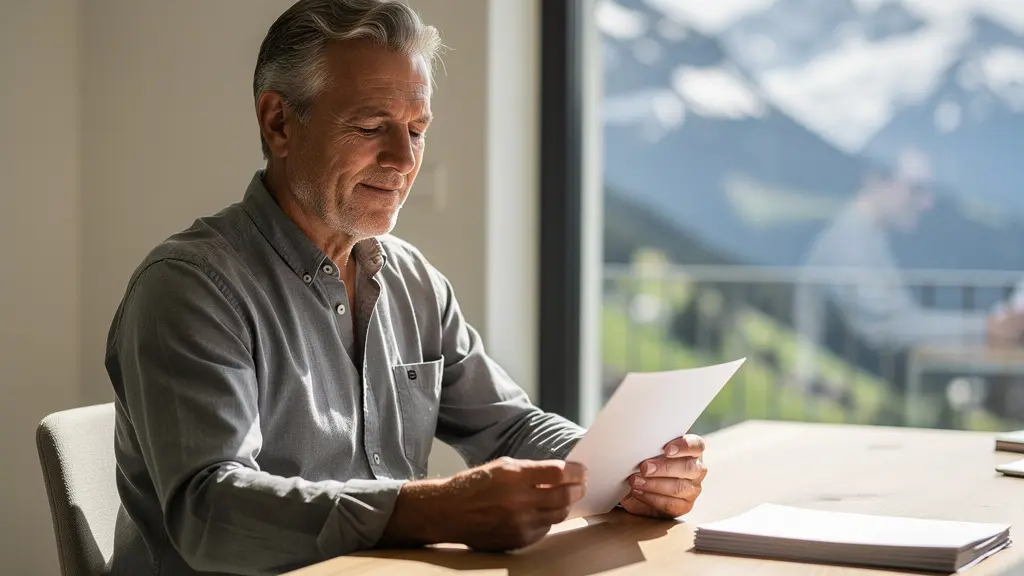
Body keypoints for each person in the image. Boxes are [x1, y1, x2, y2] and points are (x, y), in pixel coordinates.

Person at [105, 2, 708, 574]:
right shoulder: (191, 288)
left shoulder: (413, 280)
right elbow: (212, 512)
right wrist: (429, 508)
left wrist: (627, 472)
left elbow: (511, 428)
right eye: (372, 126)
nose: (403, 158)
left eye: (416, 130)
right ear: (279, 122)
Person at [793, 149, 1024, 398]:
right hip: (837, 399)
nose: (927, 202)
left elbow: (898, 319)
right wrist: (987, 327)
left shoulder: (867, 238)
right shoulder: (851, 245)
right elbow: (892, 326)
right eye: (916, 189)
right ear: (876, 181)